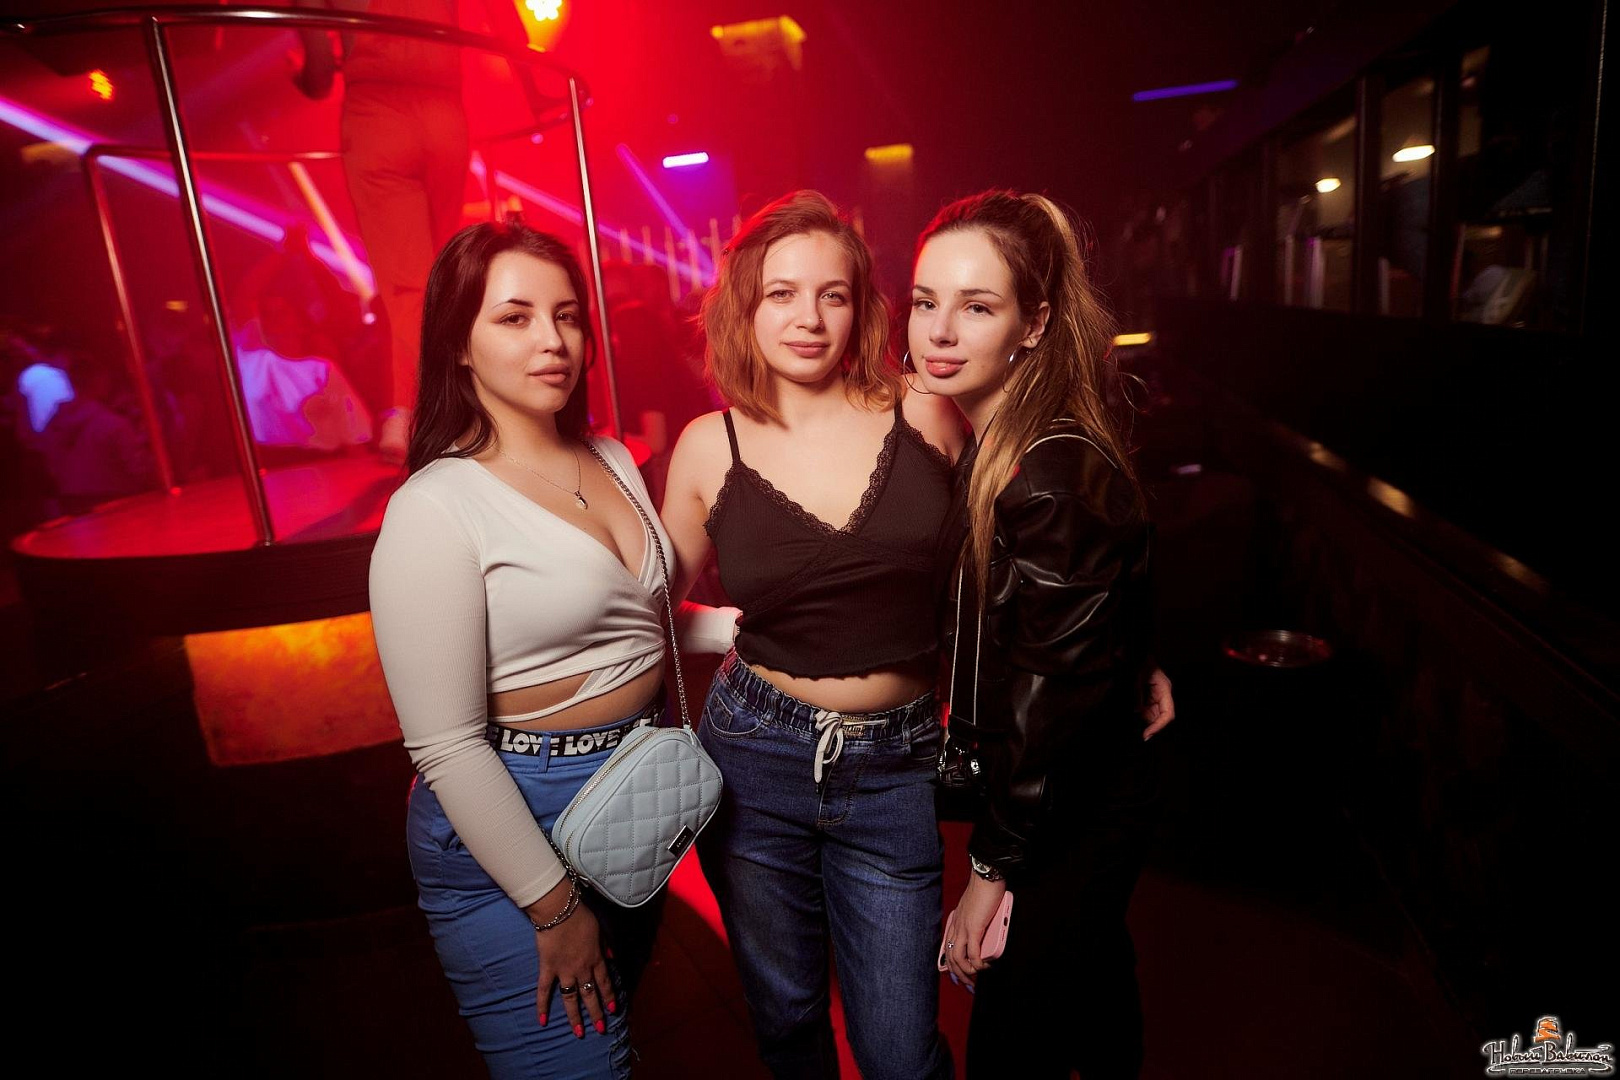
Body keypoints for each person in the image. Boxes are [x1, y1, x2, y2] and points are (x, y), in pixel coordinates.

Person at [659, 191, 963, 1079]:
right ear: (745, 308)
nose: (809, 318)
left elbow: (1012, 572)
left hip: (898, 764)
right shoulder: (707, 445)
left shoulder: (928, 412)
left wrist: (1126, 649)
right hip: (754, 757)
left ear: (862, 307)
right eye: (782, 294)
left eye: (833, 294)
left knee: (900, 1053)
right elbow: (643, 611)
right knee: (789, 1023)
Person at [369, 221, 678, 1078]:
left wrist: (759, 631)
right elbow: (446, 745)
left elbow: (635, 623)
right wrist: (553, 907)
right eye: (515, 317)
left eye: (567, 315)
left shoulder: (611, 457)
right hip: (515, 817)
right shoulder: (436, 506)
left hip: (632, 800)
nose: (553, 340)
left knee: (616, 1043)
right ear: (457, 344)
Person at [914, 190, 1164, 1079]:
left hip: (1065, 812)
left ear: (1035, 323)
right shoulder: (1003, 438)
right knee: (1095, 1004)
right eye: (925, 301)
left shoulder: (1045, 468)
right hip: (1059, 801)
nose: (941, 331)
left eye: (977, 306)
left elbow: (1048, 704)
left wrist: (988, 875)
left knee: (1015, 1043)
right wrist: (1136, 652)